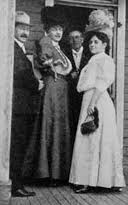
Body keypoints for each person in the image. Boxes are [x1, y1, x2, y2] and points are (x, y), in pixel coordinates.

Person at [69, 31, 126, 193]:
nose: (92, 45)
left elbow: (103, 82)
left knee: (96, 138)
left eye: (96, 42)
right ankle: (88, 179)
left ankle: (101, 181)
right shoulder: (93, 60)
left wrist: (93, 103)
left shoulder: (106, 60)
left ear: (104, 45)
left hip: (98, 100)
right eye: (90, 43)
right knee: (88, 138)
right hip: (89, 98)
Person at [22, 6, 73, 186]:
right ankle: (48, 173)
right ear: (48, 30)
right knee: (51, 126)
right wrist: (52, 62)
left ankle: (55, 173)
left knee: (57, 127)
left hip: (60, 91)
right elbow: (44, 61)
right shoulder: (46, 42)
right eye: (54, 29)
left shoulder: (56, 46)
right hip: (52, 89)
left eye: (60, 29)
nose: (58, 32)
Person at [11, 11, 43, 197]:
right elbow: (21, 74)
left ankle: (16, 184)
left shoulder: (20, 47)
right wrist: (36, 84)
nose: (25, 31)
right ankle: (15, 186)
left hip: (22, 107)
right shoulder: (14, 49)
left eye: (27, 28)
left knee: (18, 147)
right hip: (19, 107)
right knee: (17, 147)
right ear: (13, 28)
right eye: (20, 27)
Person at [64, 26, 85, 140]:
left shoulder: (90, 54)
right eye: (71, 38)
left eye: (77, 37)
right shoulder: (64, 55)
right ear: (68, 41)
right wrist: (69, 77)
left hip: (85, 96)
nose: (74, 40)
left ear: (82, 39)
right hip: (70, 97)